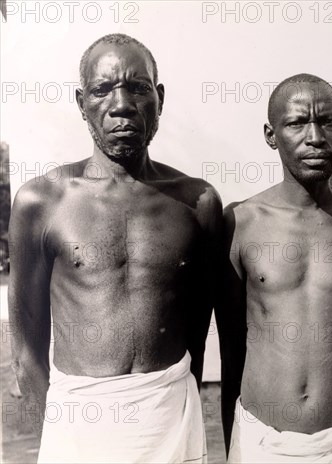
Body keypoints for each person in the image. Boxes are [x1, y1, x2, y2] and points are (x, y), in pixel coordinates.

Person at [8, 33, 221, 463]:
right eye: (102, 89)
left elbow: (197, 332)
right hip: (79, 427)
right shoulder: (42, 202)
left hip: (171, 417)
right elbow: (27, 352)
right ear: (81, 102)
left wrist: (179, 408)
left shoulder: (197, 203)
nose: (121, 104)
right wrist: (54, 437)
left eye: (138, 88)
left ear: (159, 99)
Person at [218, 73, 332, 463]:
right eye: (297, 123)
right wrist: (232, 444)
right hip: (263, 442)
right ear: (271, 134)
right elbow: (231, 349)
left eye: (328, 121)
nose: (315, 137)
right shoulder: (241, 223)